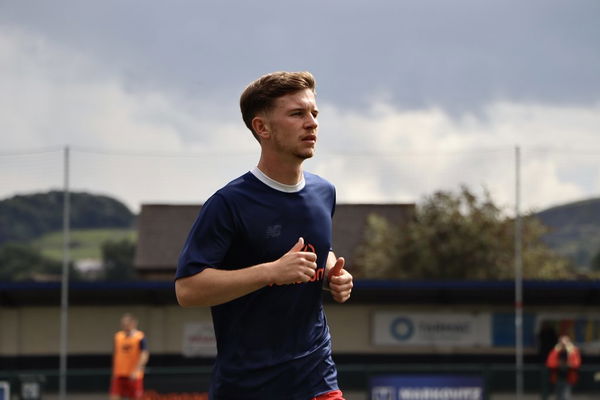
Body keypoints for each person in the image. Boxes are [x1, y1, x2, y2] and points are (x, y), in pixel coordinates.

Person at [175, 71, 353, 400]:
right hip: (247, 387)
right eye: (297, 114)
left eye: (314, 113)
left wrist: (331, 273)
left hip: (317, 379)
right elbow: (187, 289)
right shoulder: (228, 204)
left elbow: (317, 249)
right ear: (262, 128)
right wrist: (270, 272)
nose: (312, 123)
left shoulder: (324, 193)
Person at [110, 313, 150, 400]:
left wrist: (136, 370)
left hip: (134, 375)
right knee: (114, 396)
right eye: (123, 324)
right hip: (119, 374)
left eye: (127, 323)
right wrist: (114, 372)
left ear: (133, 323)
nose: (125, 326)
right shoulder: (118, 336)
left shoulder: (140, 337)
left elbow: (144, 355)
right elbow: (116, 354)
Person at [546, 335, 581, 400]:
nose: (564, 345)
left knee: (566, 397)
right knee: (558, 396)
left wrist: (570, 352)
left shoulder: (573, 351)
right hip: (557, 377)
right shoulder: (556, 351)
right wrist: (556, 351)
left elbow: (576, 364)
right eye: (562, 343)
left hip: (569, 377)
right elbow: (550, 363)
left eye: (566, 342)